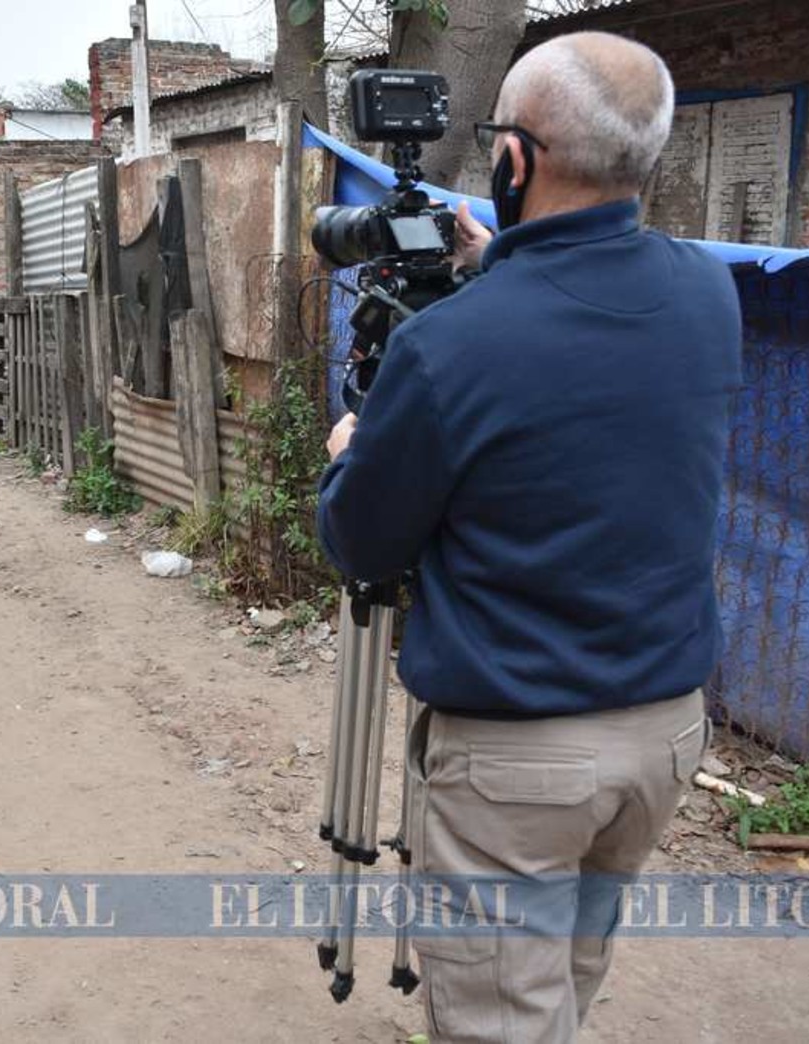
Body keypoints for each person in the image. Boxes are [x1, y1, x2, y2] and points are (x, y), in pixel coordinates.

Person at [317, 33, 742, 1042]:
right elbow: (574, 335)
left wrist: (347, 452)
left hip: (518, 760)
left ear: (512, 159)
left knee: (502, 1021)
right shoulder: (706, 293)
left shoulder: (447, 345)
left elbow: (361, 547)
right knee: (563, 981)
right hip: (661, 736)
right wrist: (491, 261)